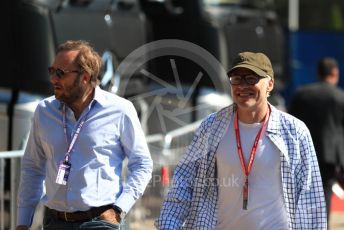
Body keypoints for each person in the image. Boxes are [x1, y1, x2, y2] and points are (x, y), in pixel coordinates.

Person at [156, 52, 327, 229]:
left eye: (251, 78)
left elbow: (310, 199)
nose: (243, 86)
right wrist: (169, 225)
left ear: (270, 84)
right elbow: (184, 183)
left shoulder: (294, 131)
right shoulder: (211, 127)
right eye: (236, 79)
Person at [16, 40, 153, 230]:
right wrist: (23, 221)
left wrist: (119, 209)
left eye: (60, 73)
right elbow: (32, 167)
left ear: (85, 78)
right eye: (52, 71)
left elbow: (142, 164)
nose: (53, 79)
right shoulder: (44, 111)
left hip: (99, 222)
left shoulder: (120, 110)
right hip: (54, 222)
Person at [289, 57, 344, 218]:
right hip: (329, 156)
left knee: (301, 192)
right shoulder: (340, 97)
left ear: (318, 73)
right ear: (335, 73)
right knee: (325, 193)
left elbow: (291, 123)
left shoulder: (302, 94)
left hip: (303, 153)